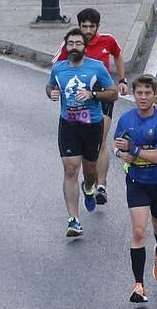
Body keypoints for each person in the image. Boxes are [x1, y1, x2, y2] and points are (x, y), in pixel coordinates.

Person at [47, 27, 117, 237]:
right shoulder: (58, 69)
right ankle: (73, 220)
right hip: (68, 124)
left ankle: (88, 188)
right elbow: (50, 86)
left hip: (92, 125)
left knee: (90, 172)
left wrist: (93, 94)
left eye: (78, 44)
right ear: (66, 47)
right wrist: (52, 92)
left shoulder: (96, 68)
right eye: (70, 44)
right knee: (70, 169)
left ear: (84, 48)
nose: (74, 47)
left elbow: (112, 93)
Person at [112, 73, 157, 303]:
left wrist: (134, 151)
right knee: (138, 231)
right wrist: (120, 153)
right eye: (139, 93)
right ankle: (139, 285)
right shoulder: (126, 119)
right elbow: (117, 145)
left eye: (148, 93)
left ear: (154, 94)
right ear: (134, 94)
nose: (143, 97)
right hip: (137, 181)